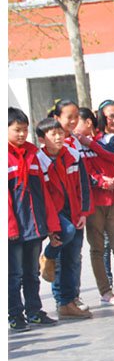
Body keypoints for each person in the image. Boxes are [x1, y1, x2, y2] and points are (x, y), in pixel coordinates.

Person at [9, 108, 62, 331]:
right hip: (13, 229)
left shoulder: (32, 154)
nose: (22, 134)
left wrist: (50, 226)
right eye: (16, 130)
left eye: (25, 130)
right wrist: (10, 228)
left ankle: (34, 311)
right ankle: (14, 314)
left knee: (31, 272)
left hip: (34, 226)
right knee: (14, 274)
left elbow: (43, 193)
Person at [36, 118, 93, 319]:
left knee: (72, 258)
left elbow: (84, 186)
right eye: (53, 134)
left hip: (75, 211)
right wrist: (50, 226)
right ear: (42, 139)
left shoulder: (73, 155)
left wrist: (84, 212)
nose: (59, 137)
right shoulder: (38, 160)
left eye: (61, 133)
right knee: (64, 238)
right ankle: (49, 257)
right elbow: (41, 195)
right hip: (54, 213)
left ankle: (68, 303)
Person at [83, 100, 114, 306]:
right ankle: (105, 290)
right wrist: (101, 181)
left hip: (112, 201)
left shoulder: (108, 139)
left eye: (86, 121)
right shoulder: (75, 145)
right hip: (93, 203)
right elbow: (83, 174)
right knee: (97, 248)